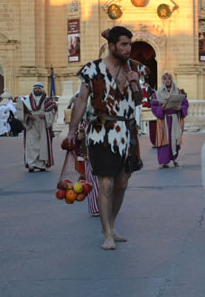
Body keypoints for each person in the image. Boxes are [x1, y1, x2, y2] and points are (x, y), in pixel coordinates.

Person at [65, 26, 145, 250]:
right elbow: (82, 100)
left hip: (126, 131)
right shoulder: (92, 69)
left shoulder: (135, 68)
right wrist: (72, 131)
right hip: (101, 130)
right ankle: (107, 234)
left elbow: (138, 100)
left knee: (122, 183)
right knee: (106, 183)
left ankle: (110, 224)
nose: (129, 49)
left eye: (130, 44)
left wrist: (135, 83)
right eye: (124, 44)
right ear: (111, 46)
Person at [151, 73, 189, 168]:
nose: (167, 81)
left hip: (174, 119)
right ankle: (164, 161)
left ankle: (174, 159)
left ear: (171, 80)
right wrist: (161, 109)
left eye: (169, 79)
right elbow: (154, 106)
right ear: (162, 81)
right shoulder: (157, 94)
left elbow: (185, 104)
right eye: (165, 79)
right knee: (164, 140)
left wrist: (180, 108)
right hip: (163, 120)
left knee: (174, 139)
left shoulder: (178, 92)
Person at [18, 82, 57, 172]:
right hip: (31, 124)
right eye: (36, 88)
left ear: (42, 89)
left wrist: (46, 115)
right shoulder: (27, 101)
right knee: (31, 144)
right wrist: (28, 117)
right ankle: (31, 164)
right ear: (33, 89)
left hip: (43, 123)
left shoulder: (47, 101)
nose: (37, 90)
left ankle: (41, 165)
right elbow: (21, 113)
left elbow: (52, 111)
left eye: (39, 88)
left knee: (43, 144)